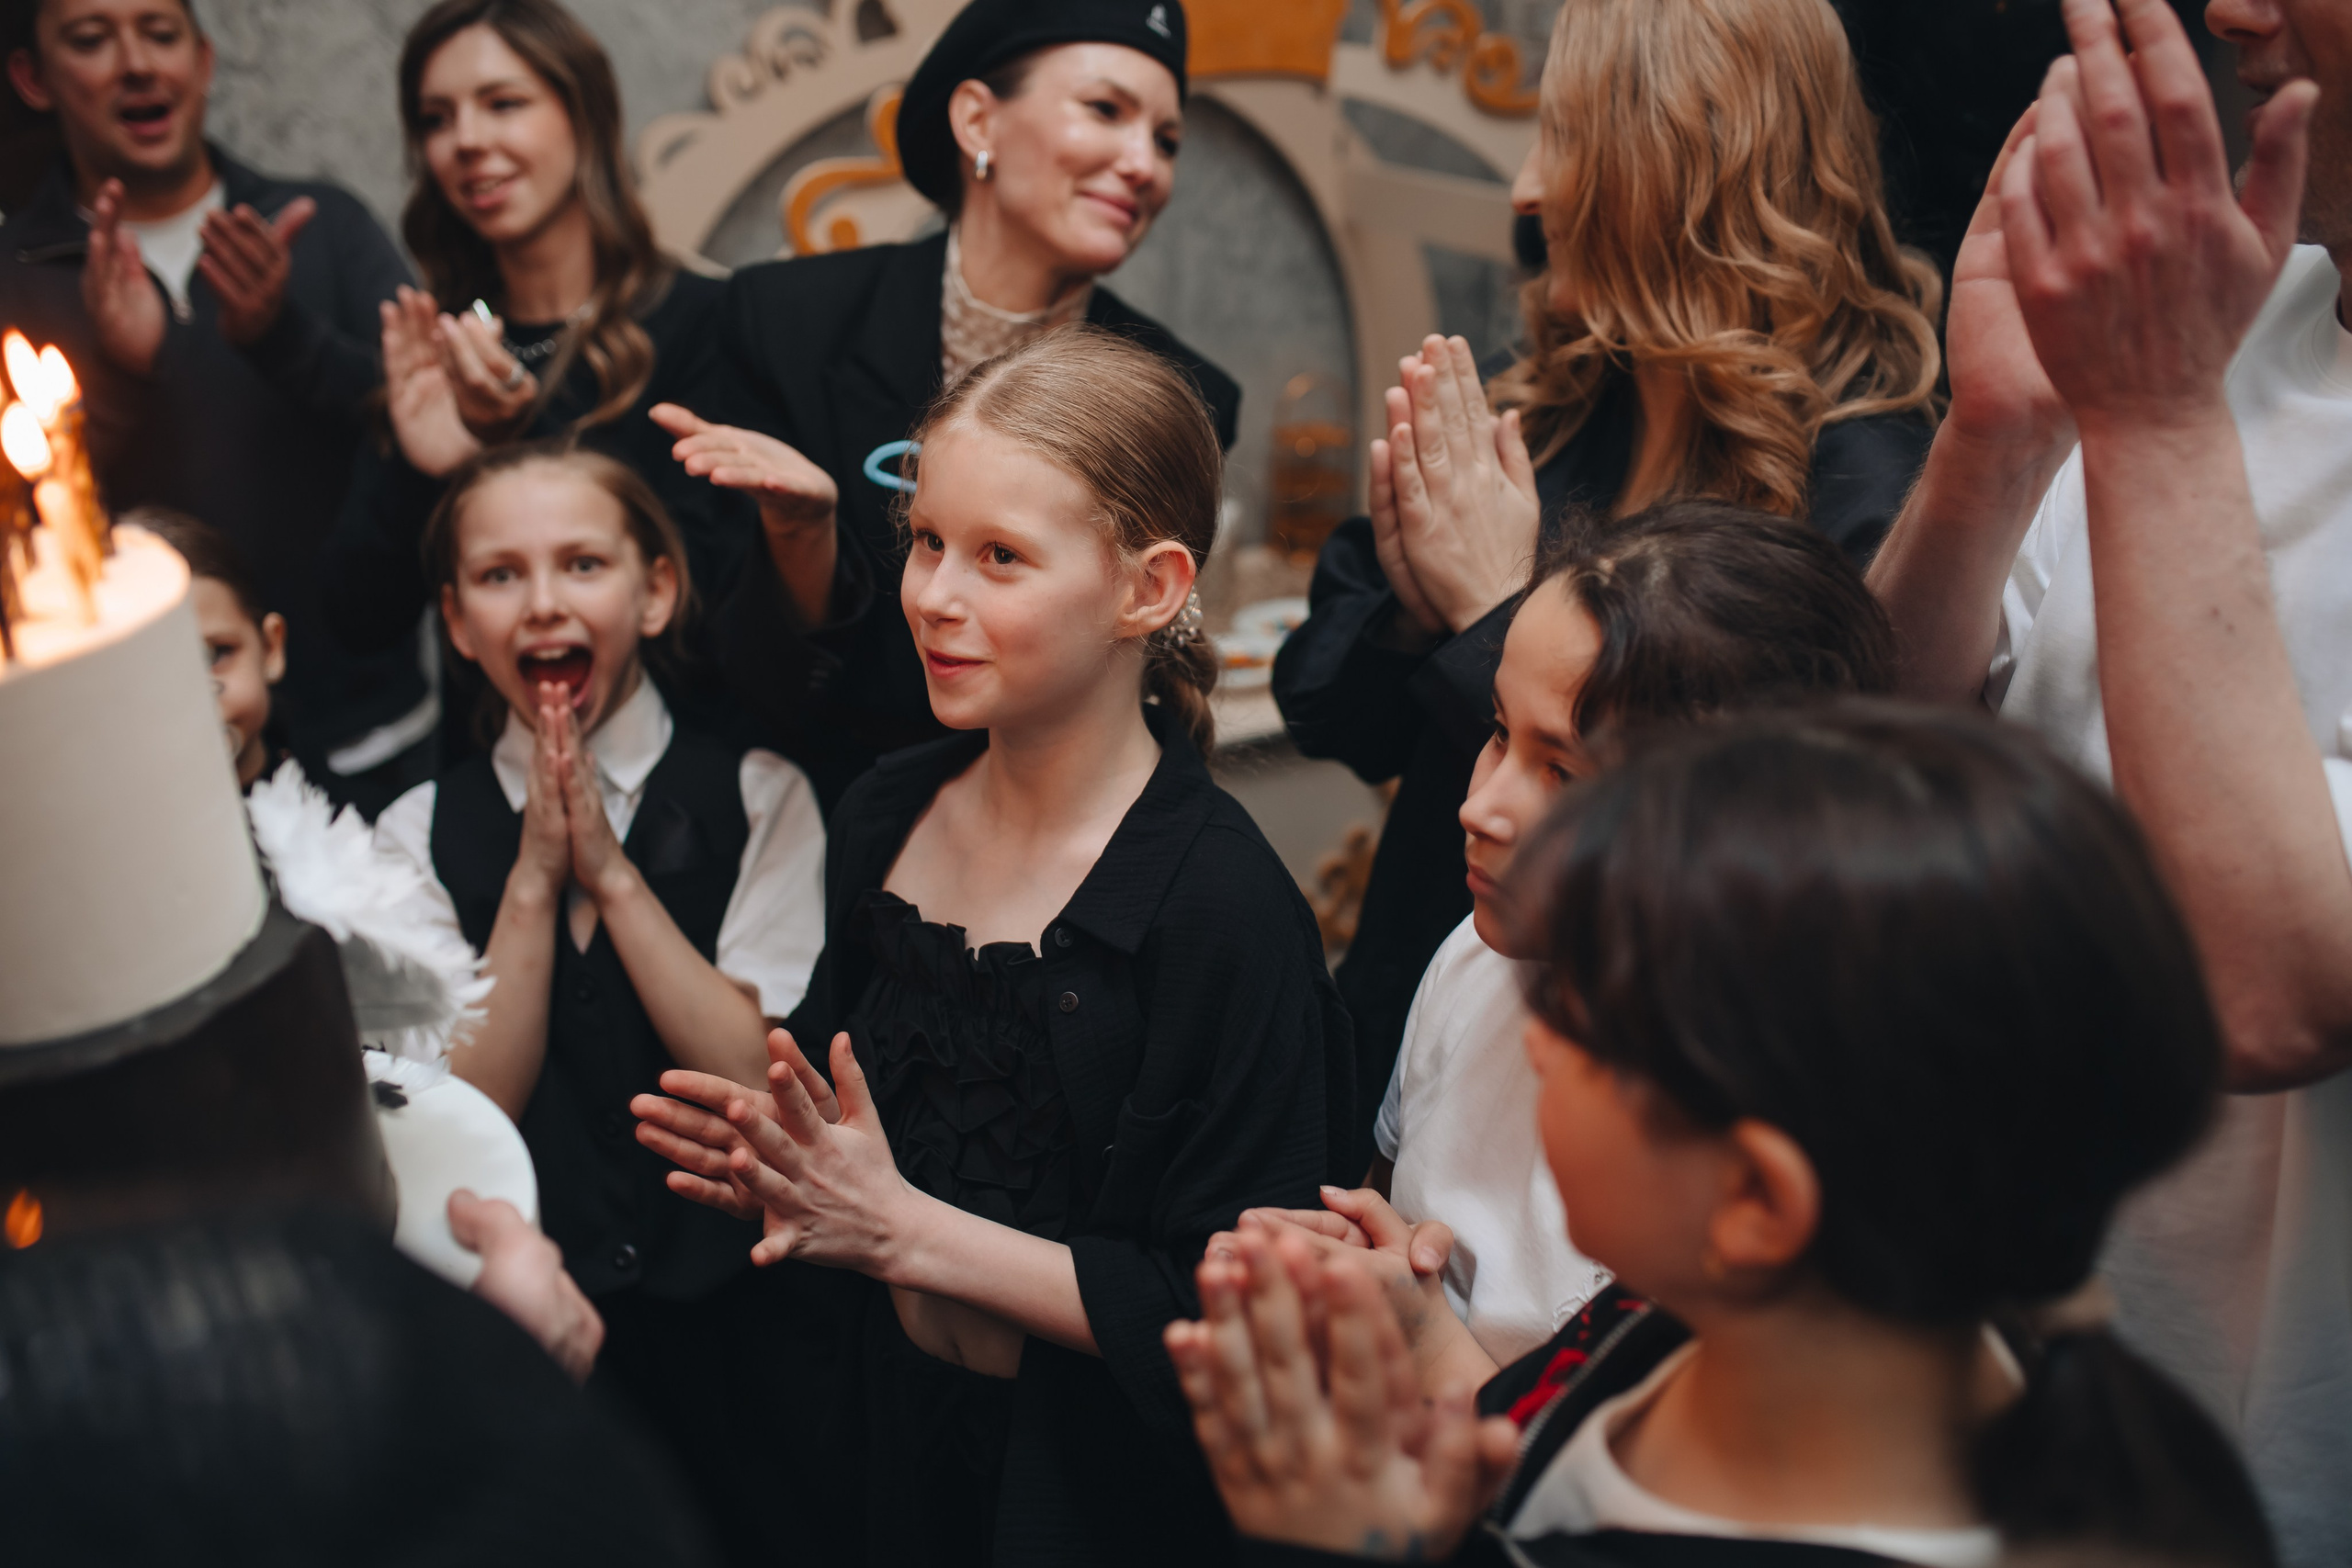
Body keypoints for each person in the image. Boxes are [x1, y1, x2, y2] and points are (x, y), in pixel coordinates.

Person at [1169, 706, 2277, 1568]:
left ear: (1754, 1200)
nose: (1538, 1049)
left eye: (1581, 1027)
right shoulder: (1682, 1315)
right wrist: (1418, 1346)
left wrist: (1339, 1548)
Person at [632, 328, 1350, 1568]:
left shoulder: (1218, 908)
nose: (934, 596)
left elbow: (1232, 1306)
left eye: (1001, 557)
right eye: (925, 542)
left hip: (1090, 1497)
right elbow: (861, 1124)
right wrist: (795, 1164)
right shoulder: (886, 810)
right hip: (888, 1448)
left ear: (1150, 588)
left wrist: (897, 1223)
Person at [1273, 0, 1943, 1162]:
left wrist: (1491, 608)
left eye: (1565, 134)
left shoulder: (1867, 477)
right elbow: (1325, 702)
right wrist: (1413, 598)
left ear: (1676, 168)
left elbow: (1769, 864)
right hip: (1431, 1019)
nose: (1526, 186)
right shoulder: (1549, 401)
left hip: (1648, 1104)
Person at [1863, 2, 2352, 1562]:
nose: (2236, 11)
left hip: (2264, 1464)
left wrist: (2149, 409)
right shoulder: (2235, 305)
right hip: (2003, 1389)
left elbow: (2278, 993)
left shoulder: (2172, 359)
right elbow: (1879, 765)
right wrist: (1997, 436)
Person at [1235, 502, 1895, 1389]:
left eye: (1565, 771)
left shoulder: (1772, 1156)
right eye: (1500, 733)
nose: (1479, 808)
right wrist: (1368, 1262)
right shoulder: (1480, 958)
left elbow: (1622, 1489)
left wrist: (1427, 1343)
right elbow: (1397, 1200)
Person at [368, 442, 830, 1565]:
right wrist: (533, 879)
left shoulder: (760, 795)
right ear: (458, 620)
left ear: (655, 591)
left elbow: (749, 1076)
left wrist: (613, 878)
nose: (542, 605)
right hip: (533, 1339)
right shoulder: (409, 835)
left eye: (581, 564)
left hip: (744, 1345)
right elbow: (458, 1108)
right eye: (498, 576)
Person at [659, 0, 1240, 809]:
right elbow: (727, 670)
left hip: (1057, 833)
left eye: (1167, 140)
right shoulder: (784, 322)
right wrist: (803, 538)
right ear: (977, 121)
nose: (1144, 163)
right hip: (809, 827)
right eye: (1105, 109)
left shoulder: (1188, 394)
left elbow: (1128, 680)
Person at [0, 0, 424, 812]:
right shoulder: (15, 275)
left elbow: (418, 428)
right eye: (92, 39)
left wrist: (283, 337)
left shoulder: (320, 227)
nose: (136, 65)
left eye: (160, 34)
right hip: (141, 763)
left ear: (202, 62)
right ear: (33, 77)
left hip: (373, 737)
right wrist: (124, 378)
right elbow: (18, 534)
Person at [324, 0, 757, 764]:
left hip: (688, 787)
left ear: (582, 116)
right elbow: (358, 621)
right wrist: (423, 464)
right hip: (492, 790)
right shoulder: (440, 349)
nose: (467, 142)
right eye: (436, 118)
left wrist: (507, 441)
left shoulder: (703, 321)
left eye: (503, 104)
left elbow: (719, 613)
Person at [124, 506, 288, 789]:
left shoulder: (360, 819)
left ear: (270, 648)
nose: (195, 694)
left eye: (216, 654)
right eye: (151, 673)